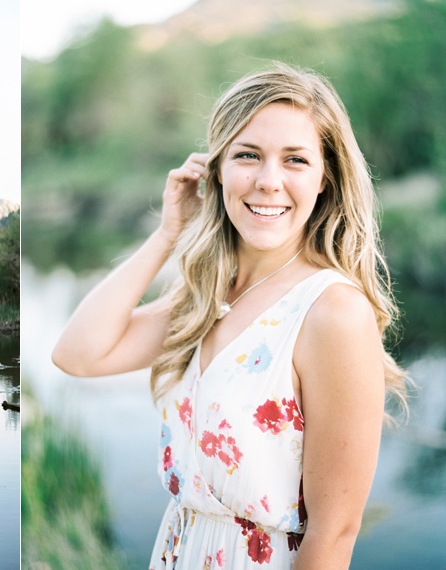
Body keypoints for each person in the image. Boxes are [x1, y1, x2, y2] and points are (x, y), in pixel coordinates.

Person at [51, 62, 408, 569]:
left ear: (325, 177)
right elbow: (78, 354)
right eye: (248, 155)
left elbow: (335, 535)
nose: (268, 181)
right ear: (217, 170)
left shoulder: (332, 313)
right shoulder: (207, 294)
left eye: (295, 160)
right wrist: (167, 233)